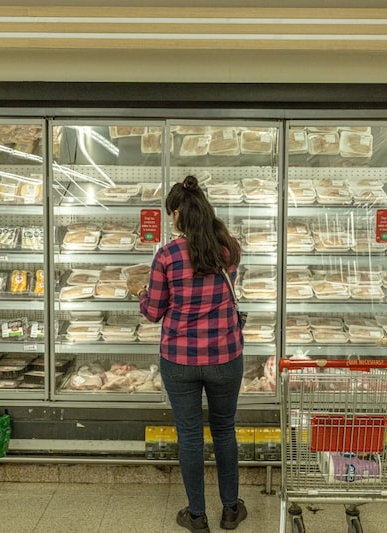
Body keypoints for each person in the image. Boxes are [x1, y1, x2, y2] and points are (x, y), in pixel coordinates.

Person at [129, 175, 247, 533]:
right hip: (225, 355)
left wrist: (140, 293)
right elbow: (225, 289)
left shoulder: (167, 255)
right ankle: (230, 509)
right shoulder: (229, 246)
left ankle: (197, 515)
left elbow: (153, 311)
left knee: (190, 436)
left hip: (179, 358)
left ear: (179, 213)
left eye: (171, 214)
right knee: (225, 430)